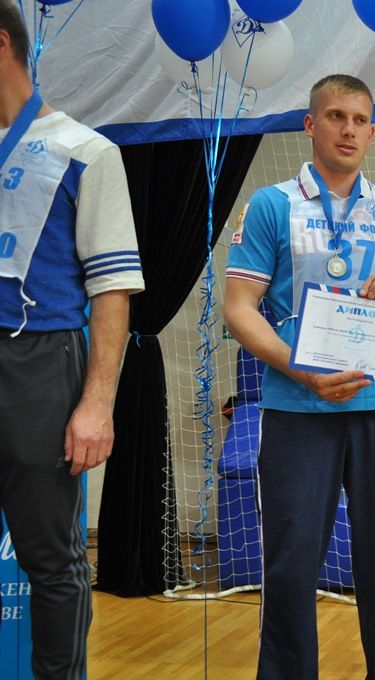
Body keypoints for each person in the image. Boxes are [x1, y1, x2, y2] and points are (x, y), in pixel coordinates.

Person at [223, 74, 375, 679]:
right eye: (336, 116)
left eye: (360, 119)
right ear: (310, 125)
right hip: (297, 409)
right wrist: (301, 369)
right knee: (291, 567)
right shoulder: (272, 205)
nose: (349, 129)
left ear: (372, 132)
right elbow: (238, 307)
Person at [0, 3, 143, 677]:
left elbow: (111, 291)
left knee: (50, 558)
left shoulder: (86, 152)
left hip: (39, 361)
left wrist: (97, 404)